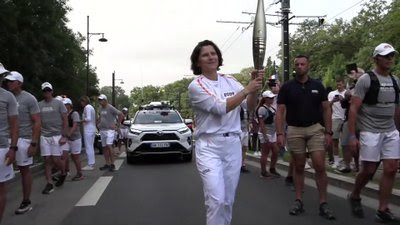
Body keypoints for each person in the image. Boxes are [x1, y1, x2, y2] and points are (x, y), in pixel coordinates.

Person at [188, 40, 262, 225]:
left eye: (213, 53)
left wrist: (254, 89)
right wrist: (247, 89)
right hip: (209, 146)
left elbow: (250, 106)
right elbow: (220, 108)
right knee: (216, 199)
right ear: (198, 62)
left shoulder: (230, 80)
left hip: (232, 145)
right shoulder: (196, 86)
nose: (211, 57)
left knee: (228, 201)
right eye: (205, 55)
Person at [276, 55, 335, 220]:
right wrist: (280, 133)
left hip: (315, 128)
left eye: (303, 64)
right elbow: (280, 110)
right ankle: (298, 200)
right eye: (297, 64)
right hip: (295, 129)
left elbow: (326, 109)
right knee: (299, 166)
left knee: (319, 165)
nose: (300, 66)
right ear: (294, 67)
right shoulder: (287, 87)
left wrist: (329, 132)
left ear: (309, 66)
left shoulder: (317, 85)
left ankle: (323, 203)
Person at [347, 43, 399, 223]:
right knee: (369, 170)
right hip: (370, 130)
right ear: (376, 58)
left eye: (392, 55)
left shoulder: (395, 80)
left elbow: (397, 108)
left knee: (391, 169)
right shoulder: (366, 80)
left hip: (390, 130)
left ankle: (383, 209)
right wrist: (353, 136)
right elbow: (353, 109)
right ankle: (355, 195)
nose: (390, 59)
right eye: (386, 56)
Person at [5, 71, 41, 214]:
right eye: (7, 81)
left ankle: (26, 201)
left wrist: (33, 143)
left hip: (24, 139)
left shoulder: (29, 99)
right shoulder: (6, 97)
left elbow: (37, 121)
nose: (8, 83)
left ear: (19, 83)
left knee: (24, 169)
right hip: (6, 139)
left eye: (11, 81)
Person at [38, 82, 68, 194]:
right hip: (44, 135)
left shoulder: (59, 103)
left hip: (57, 135)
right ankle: (49, 183)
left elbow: (65, 119)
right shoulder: (39, 105)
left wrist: (64, 136)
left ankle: (63, 173)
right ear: (42, 92)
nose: (47, 92)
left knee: (56, 159)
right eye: (45, 91)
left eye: (48, 90)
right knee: (47, 160)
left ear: (52, 91)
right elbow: (37, 120)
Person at [337, 68, 365, 173]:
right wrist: (345, 98)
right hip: (349, 118)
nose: (354, 75)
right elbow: (345, 105)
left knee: (361, 144)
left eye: (357, 73)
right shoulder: (351, 88)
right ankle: (347, 165)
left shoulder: (368, 87)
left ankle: (358, 166)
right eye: (354, 74)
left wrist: (353, 97)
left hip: (363, 119)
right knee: (345, 142)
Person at [0, 64, 18, 222]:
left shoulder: (8, 97)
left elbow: (14, 124)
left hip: (2, 147)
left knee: (0, 187)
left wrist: (13, 148)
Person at [97, 94, 123, 172]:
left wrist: (117, 124)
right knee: (104, 147)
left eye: (101, 100)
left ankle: (112, 164)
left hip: (110, 130)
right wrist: (98, 123)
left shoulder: (110, 107)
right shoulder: (100, 108)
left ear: (105, 100)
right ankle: (107, 164)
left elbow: (120, 114)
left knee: (109, 145)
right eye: (99, 100)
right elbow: (100, 117)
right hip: (103, 130)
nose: (100, 101)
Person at [257, 90, 280, 178]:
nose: (272, 99)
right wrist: (265, 136)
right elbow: (262, 123)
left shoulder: (272, 108)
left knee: (275, 151)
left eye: (272, 98)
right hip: (266, 133)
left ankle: (272, 168)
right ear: (265, 99)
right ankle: (263, 172)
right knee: (265, 153)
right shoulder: (262, 109)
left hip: (272, 133)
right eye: (270, 98)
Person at [62, 98, 83, 181]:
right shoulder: (63, 114)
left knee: (75, 157)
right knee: (64, 155)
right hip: (66, 139)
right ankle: (64, 172)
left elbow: (75, 125)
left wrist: (69, 134)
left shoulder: (74, 114)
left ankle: (79, 173)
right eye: (63, 105)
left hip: (75, 138)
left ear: (70, 105)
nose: (64, 106)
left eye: (66, 105)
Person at [327, 79, 346, 168]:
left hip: (346, 118)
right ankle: (336, 160)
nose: (338, 86)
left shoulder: (347, 93)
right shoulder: (331, 94)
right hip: (335, 118)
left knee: (346, 142)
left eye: (340, 85)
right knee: (335, 140)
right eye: (337, 85)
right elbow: (327, 106)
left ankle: (347, 161)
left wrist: (343, 100)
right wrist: (333, 101)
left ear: (344, 85)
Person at [80, 96, 96, 170]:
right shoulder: (91, 107)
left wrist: (81, 120)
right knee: (90, 146)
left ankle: (90, 164)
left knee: (88, 146)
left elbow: (88, 118)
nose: (81, 104)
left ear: (84, 101)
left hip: (88, 129)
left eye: (81, 102)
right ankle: (91, 163)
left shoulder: (87, 108)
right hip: (92, 128)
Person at [239, 107, 250, 173]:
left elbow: (247, 119)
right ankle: (238, 165)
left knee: (244, 148)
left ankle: (243, 164)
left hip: (245, 130)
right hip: (239, 131)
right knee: (238, 149)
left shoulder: (247, 108)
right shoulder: (238, 107)